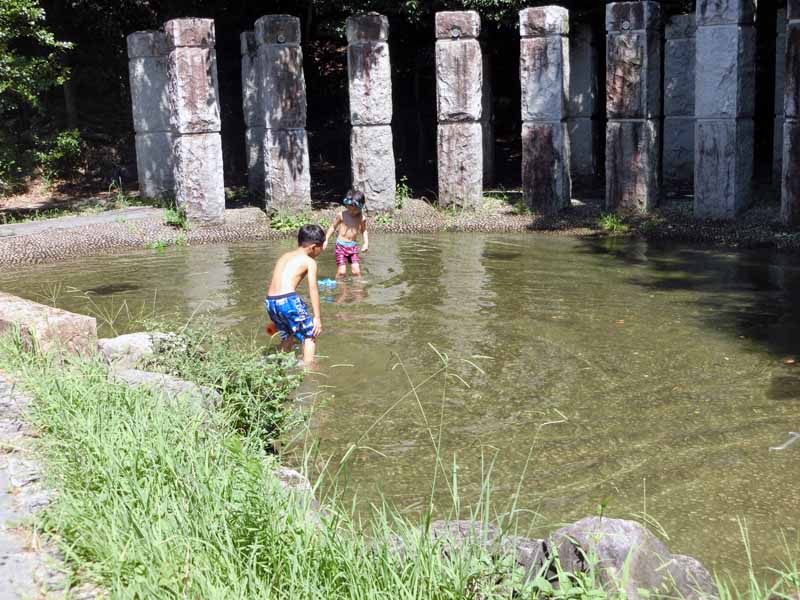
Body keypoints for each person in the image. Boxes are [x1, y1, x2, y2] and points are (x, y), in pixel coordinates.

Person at [265, 224, 325, 366]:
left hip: (271, 301)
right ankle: (309, 370)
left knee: (288, 336)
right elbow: (313, 288)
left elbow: (273, 282)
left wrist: (278, 315)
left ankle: (274, 363)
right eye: (321, 247)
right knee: (310, 335)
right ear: (313, 247)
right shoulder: (310, 261)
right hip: (287, 300)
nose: (321, 250)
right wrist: (317, 317)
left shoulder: (284, 256)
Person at [323, 189, 369, 277]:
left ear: (361, 207)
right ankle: (341, 288)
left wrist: (366, 243)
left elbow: (364, 230)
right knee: (342, 272)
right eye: (349, 209)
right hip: (340, 246)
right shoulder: (341, 215)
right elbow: (333, 227)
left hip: (353, 247)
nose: (351, 212)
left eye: (354, 210)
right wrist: (326, 239)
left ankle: (359, 287)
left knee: (356, 271)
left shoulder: (362, 218)